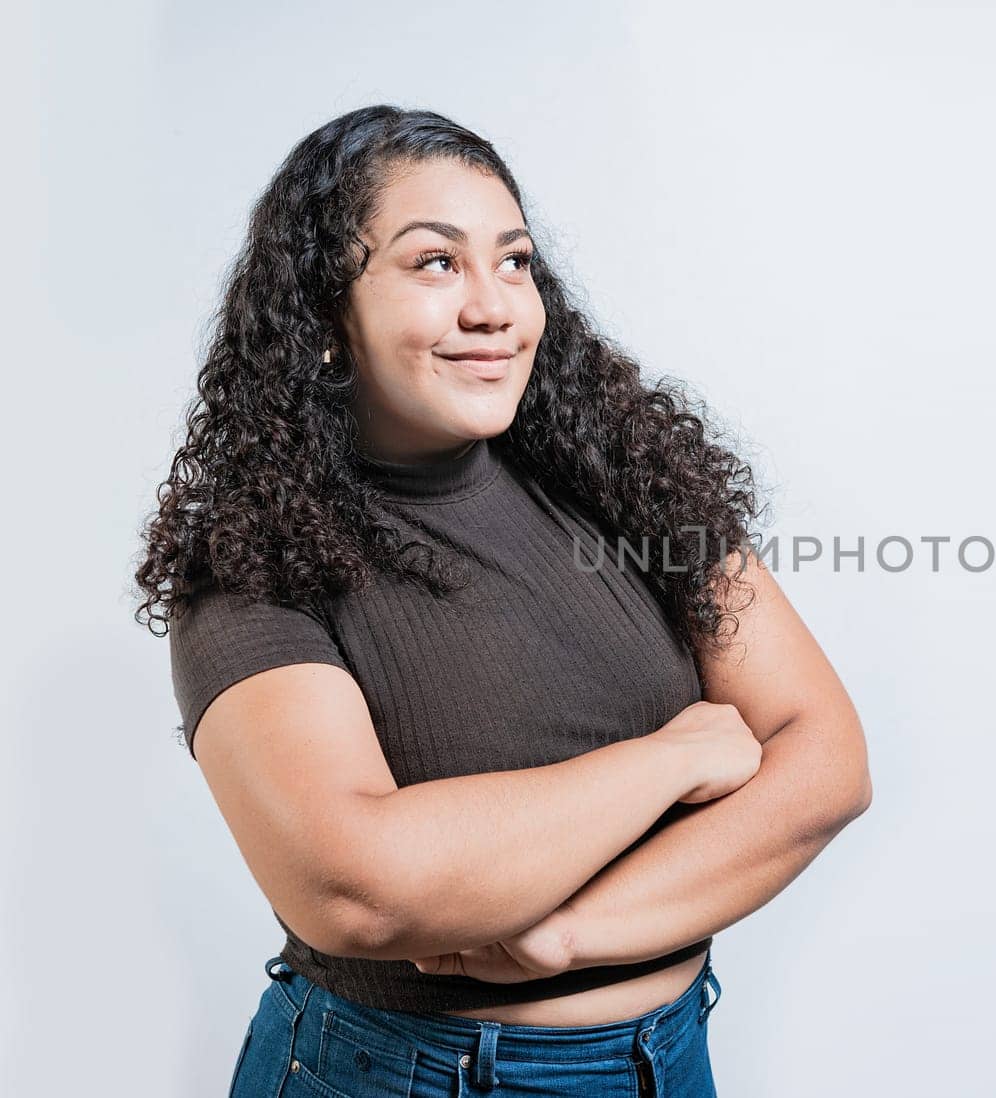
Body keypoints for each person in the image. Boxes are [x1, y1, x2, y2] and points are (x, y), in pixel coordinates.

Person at [132, 104, 873, 1097]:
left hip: (670, 1057)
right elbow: (356, 885)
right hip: (405, 1075)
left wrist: (566, 935)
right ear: (322, 316)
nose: (494, 307)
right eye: (435, 263)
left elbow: (823, 764)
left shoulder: (627, 476)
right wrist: (673, 759)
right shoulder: (257, 554)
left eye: (514, 261)